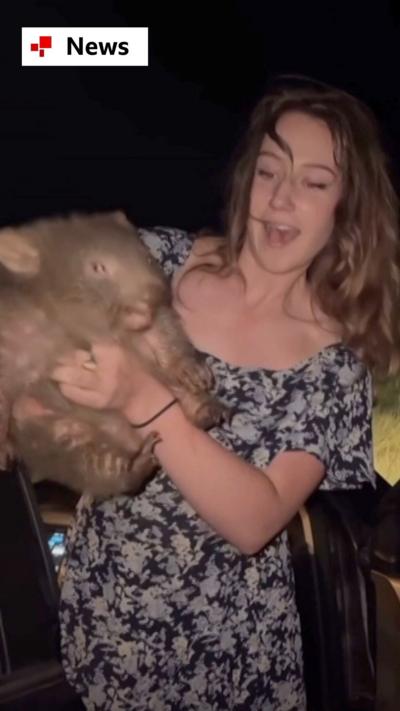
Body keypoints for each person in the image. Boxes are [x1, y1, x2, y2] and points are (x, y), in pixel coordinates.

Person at [55, 78, 400, 710]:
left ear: (345, 209)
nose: (280, 199)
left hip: (226, 661)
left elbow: (255, 518)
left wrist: (145, 398)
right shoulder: (157, 263)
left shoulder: (334, 367)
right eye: (270, 171)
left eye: (314, 183)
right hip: (100, 625)